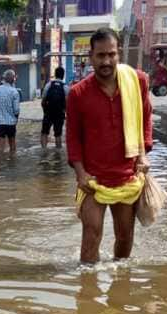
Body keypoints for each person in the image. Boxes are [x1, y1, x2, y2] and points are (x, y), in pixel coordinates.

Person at [66, 28, 153, 264]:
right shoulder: (77, 94)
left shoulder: (137, 82)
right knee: (91, 233)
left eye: (111, 55)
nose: (106, 61)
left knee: (125, 237)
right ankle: (87, 291)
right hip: (93, 180)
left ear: (119, 54)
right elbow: (72, 137)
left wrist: (143, 154)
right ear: (91, 57)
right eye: (100, 55)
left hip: (127, 176)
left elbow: (145, 119)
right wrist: (80, 173)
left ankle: (120, 289)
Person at [0, 69, 21, 154]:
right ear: (13, 79)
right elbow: (16, 110)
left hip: (0, 123)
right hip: (11, 123)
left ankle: (0, 164)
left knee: (0, 145)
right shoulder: (15, 92)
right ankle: (12, 163)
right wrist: (16, 119)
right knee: (12, 145)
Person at [41, 66, 69, 149]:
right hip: (59, 113)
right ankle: (58, 154)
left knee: (44, 133)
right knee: (58, 134)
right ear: (63, 75)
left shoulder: (49, 85)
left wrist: (45, 111)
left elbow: (43, 101)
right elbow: (68, 103)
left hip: (48, 113)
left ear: (55, 74)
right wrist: (66, 113)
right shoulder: (66, 87)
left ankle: (43, 151)